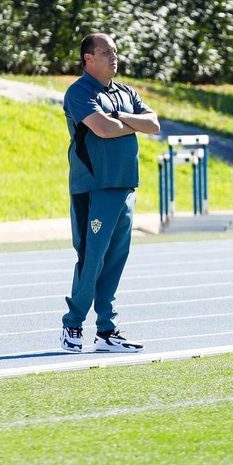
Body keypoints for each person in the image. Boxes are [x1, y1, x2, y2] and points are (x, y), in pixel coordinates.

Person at [60, 32, 158, 355]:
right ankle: (73, 324)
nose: (114, 57)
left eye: (115, 51)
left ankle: (106, 330)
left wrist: (121, 118)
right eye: (106, 52)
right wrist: (132, 124)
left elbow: (154, 123)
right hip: (94, 187)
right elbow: (100, 129)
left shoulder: (125, 92)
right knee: (92, 259)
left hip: (125, 185)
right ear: (88, 58)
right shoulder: (79, 92)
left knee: (116, 259)